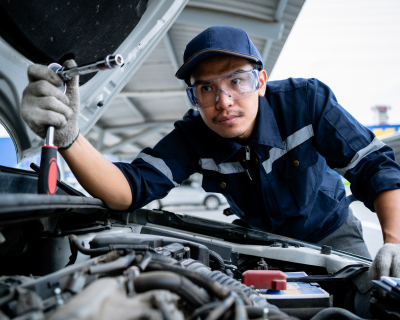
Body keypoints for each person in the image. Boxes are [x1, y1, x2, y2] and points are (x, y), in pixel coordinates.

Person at [21, 26, 400, 281]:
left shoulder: (307, 102)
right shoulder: (193, 136)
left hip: (333, 237)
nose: (223, 101)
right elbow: (129, 189)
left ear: (261, 81)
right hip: (259, 244)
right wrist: (70, 135)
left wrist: (395, 244)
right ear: (194, 96)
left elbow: (377, 167)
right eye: (205, 89)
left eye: (237, 80)